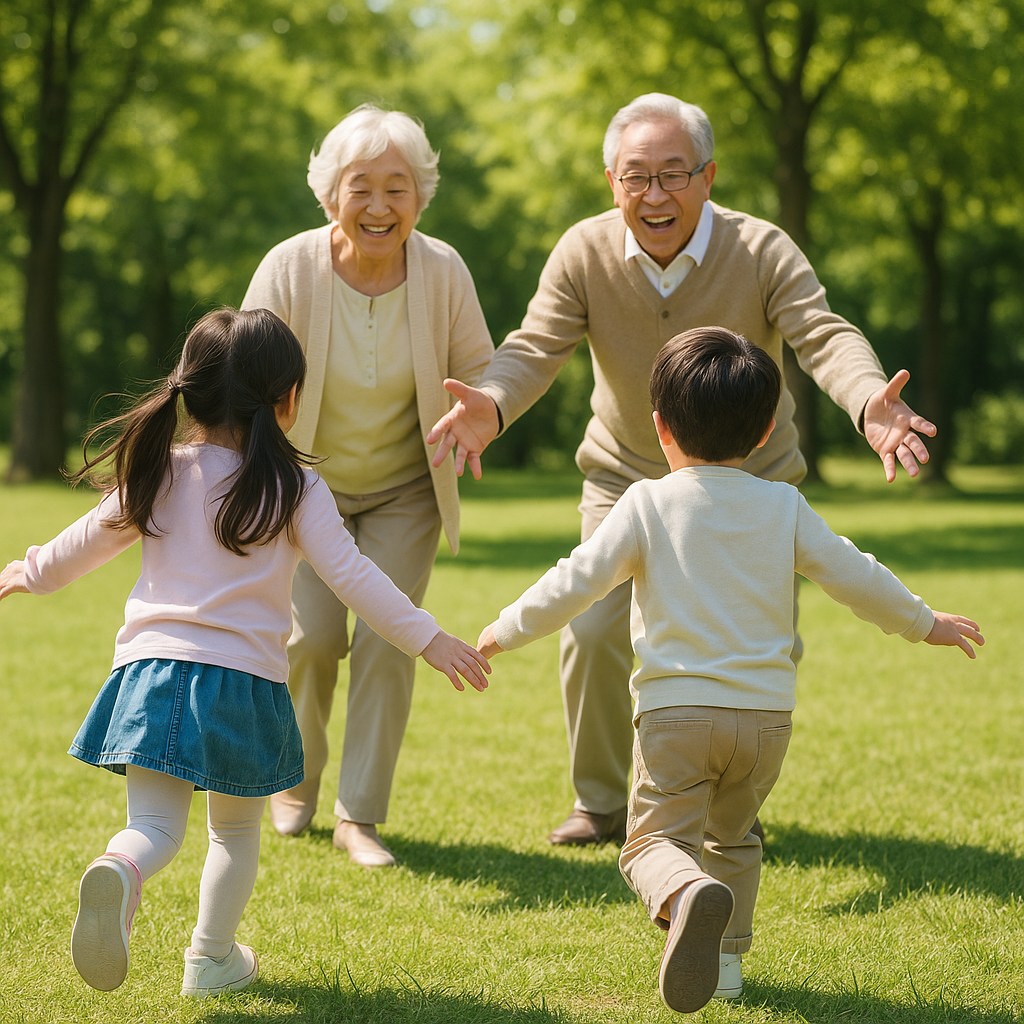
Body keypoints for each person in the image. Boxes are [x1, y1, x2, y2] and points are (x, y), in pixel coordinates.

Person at [428, 92, 938, 847]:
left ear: (708, 177)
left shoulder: (762, 248)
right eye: (637, 177)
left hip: (753, 477)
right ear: (612, 181)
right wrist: (492, 405)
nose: (655, 194)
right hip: (626, 473)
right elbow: (534, 347)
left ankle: (731, 800)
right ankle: (601, 803)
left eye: (674, 174)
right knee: (595, 629)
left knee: (761, 638)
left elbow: (821, 335)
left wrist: (870, 401)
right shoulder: (582, 252)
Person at [476, 326, 982, 1012]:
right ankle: (729, 972)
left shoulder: (648, 504)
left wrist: (504, 631)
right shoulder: (784, 505)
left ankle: (686, 895)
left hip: (676, 714)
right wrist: (926, 622)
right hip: (766, 721)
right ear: (768, 427)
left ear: (659, 427)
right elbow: (856, 576)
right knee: (734, 839)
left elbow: (577, 580)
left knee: (651, 845)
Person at [0, 308, 489, 998]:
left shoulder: (156, 471)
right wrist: (427, 637)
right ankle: (210, 960)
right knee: (232, 834)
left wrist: (28, 571)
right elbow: (352, 577)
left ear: (187, 391)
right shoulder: (295, 487)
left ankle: (121, 867)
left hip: (150, 675)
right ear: (287, 400)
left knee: (153, 826)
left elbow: (78, 545)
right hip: (242, 686)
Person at [241, 104, 494, 867]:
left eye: (398, 187)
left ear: (420, 195)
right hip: (303, 487)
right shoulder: (289, 267)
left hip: (404, 490)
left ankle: (360, 815)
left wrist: (479, 414)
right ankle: (296, 785)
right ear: (330, 196)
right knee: (310, 641)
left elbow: (481, 372)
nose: (380, 206)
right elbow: (244, 374)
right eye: (362, 188)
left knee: (391, 634)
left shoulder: (444, 269)